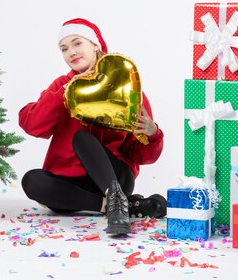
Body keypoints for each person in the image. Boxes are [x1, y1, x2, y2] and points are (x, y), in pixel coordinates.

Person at [19, 18, 166, 235]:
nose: (71, 53)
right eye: (64, 48)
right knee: (31, 181)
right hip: (72, 186)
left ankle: (116, 197)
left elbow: (143, 156)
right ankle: (114, 206)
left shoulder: (124, 85)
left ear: (95, 45)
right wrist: (66, 92)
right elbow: (32, 124)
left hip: (116, 177)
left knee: (82, 138)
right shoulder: (62, 86)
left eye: (77, 43)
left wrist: (153, 133)